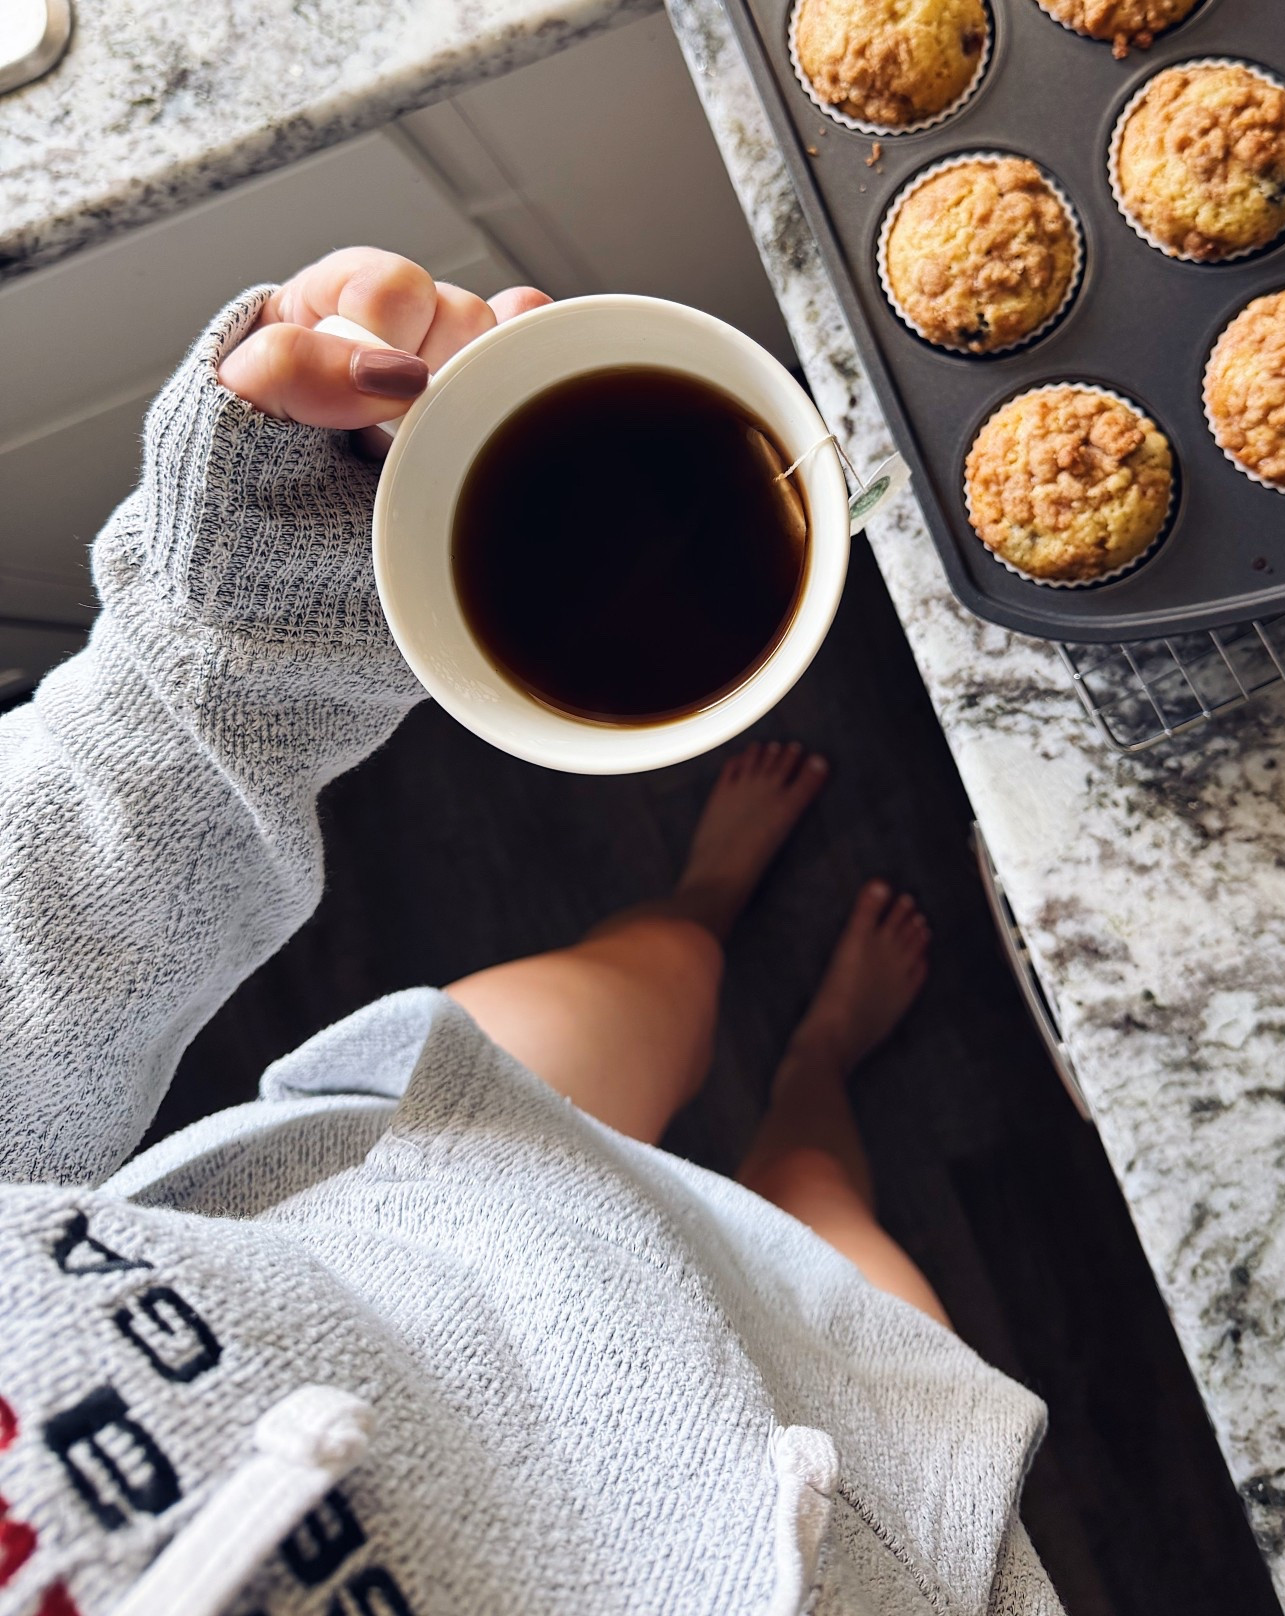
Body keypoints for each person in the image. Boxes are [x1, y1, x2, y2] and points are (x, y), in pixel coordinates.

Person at [0, 250, 1063, 1616]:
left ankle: (702, 907)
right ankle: (814, 1071)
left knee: (663, 972)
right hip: (801, 1490)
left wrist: (230, 659)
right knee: (816, 1194)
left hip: (413, 1189)